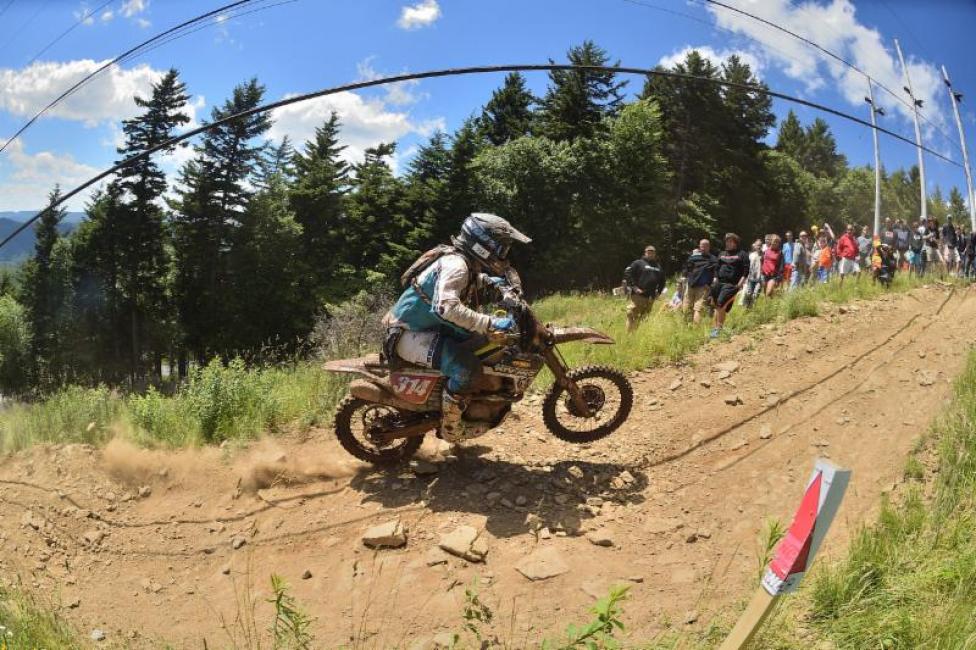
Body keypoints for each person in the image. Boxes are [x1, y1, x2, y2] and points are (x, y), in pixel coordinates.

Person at [383, 213, 530, 442]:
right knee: (466, 368)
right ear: (484, 246)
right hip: (409, 334)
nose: (504, 254)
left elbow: (465, 283)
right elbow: (446, 308)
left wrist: (492, 283)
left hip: (428, 327)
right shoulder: (456, 265)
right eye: (502, 248)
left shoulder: (463, 263)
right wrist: (488, 322)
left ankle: (466, 400)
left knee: (484, 345)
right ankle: (451, 428)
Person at [710, 233, 749, 338]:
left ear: (735, 243)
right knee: (717, 306)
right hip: (719, 283)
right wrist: (715, 279)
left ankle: (718, 329)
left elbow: (746, 271)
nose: (728, 243)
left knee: (721, 304)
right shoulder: (722, 253)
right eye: (727, 241)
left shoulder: (742, 254)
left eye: (730, 241)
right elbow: (717, 268)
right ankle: (715, 328)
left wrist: (739, 285)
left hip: (731, 284)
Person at [622, 245, 666, 332]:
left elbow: (662, 280)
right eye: (648, 251)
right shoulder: (638, 263)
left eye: (652, 252)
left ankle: (637, 334)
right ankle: (628, 336)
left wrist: (659, 292)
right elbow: (627, 273)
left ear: (655, 254)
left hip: (651, 297)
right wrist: (634, 287)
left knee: (644, 317)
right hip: (639, 295)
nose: (650, 253)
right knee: (632, 315)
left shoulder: (658, 266)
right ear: (645, 253)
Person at [682, 239, 716, 324]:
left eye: (706, 246)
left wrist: (711, 284)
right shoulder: (694, 256)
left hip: (703, 287)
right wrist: (684, 277)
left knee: (698, 309)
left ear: (709, 247)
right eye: (702, 245)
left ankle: (695, 329)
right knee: (686, 306)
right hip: (691, 285)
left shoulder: (712, 259)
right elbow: (687, 267)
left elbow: (715, 273)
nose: (703, 248)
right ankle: (685, 326)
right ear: (699, 246)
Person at [741, 239, 763, 307]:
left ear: (762, 246)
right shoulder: (751, 255)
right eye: (757, 245)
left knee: (755, 295)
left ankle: (752, 308)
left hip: (759, 279)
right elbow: (747, 267)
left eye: (760, 245)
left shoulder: (764, 255)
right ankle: (746, 308)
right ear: (755, 246)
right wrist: (745, 277)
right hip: (750, 278)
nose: (759, 246)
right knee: (748, 293)